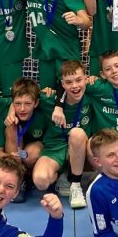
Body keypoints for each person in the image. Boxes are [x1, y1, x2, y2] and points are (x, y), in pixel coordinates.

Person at [26, 0, 92, 88]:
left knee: (71, 95)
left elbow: (87, 22)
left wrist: (78, 20)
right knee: (47, 95)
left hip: (67, 54)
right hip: (45, 53)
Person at [32, 60, 93, 209]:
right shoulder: (49, 98)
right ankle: (62, 176)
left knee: (77, 133)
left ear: (86, 79)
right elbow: (22, 99)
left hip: (80, 146)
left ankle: (76, 185)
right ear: (62, 84)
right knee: (40, 181)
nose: (75, 86)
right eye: (69, 82)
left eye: (79, 80)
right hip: (55, 147)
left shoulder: (93, 95)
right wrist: (11, 112)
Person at [0, 77, 49, 202]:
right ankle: (17, 181)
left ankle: (28, 177)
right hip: (13, 156)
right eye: (17, 104)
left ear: (36, 103)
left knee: (32, 152)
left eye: (27, 104)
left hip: (32, 156)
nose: (22, 109)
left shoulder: (43, 112)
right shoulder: (6, 116)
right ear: (12, 103)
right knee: (11, 125)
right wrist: (9, 156)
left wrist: (50, 91)